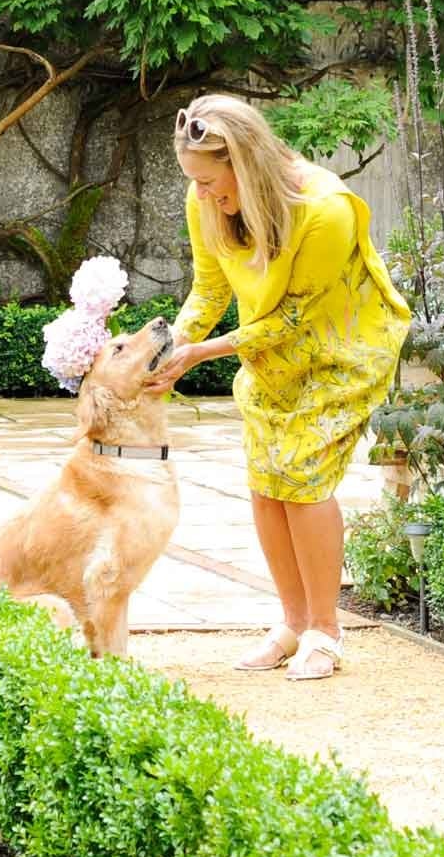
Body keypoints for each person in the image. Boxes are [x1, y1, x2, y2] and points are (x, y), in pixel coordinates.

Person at [146, 92, 411, 681]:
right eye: (195, 183)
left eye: (210, 182)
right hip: (270, 352)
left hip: (343, 347)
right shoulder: (205, 197)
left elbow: (293, 316)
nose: (202, 195)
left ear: (245, 164)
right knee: (267, 480)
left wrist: (201, 353)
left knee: (301, 473)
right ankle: (293, 624)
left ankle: (326, 630)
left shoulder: (325, 209)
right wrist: (168, 351)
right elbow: (210, 289)